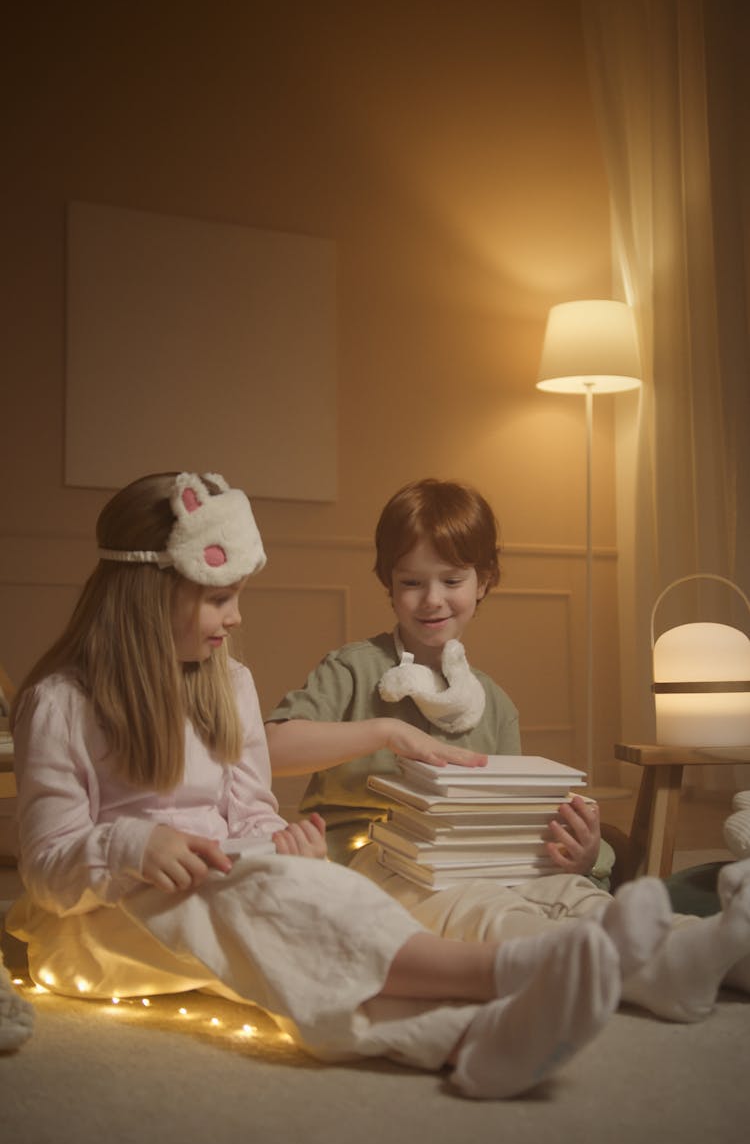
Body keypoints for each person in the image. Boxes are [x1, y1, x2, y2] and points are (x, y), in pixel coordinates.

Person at [11, 469, 683, 1103]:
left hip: (228, 890)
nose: (237, 616)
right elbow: (46, 869)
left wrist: (277, 845)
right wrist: (134, 843)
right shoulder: (59, 704)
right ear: (147, 594)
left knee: (304, 932)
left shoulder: (227, 685)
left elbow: (248, 811)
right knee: (263, 916)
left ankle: (470, 1038)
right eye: (221, 597)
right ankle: (510, 969)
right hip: (99, 927)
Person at [265, 478, 750, 1021]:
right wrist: (384, 731)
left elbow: (519, 823)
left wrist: (583, 855)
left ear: (483, 581)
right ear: (388, 584)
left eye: (451, 579)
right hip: (371, 858)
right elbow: (270, 748)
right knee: (489, 913)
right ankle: (644, 974)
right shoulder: (353, 669)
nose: (432, 600)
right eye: (411, 582)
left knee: (574, 895)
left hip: (485, 862)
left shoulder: (494, 703)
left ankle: (716, 951)